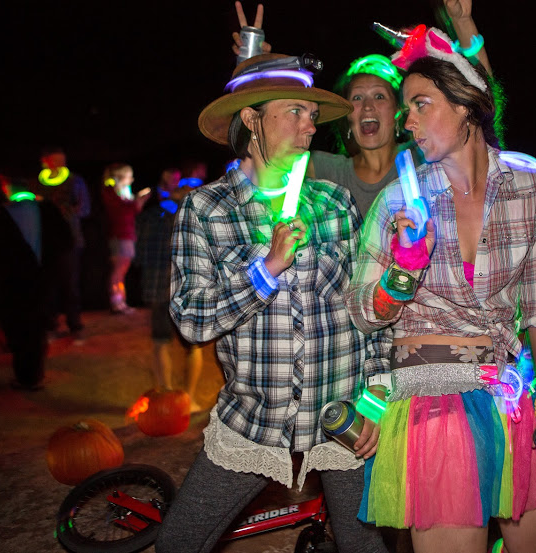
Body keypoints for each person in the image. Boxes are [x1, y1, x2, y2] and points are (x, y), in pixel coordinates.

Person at [345, 26, 536, 553]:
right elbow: (363, 311)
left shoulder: (527, 189)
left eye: (420, 104)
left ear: (468, 105)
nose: (406, 121)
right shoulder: (399, 203)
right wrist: (403, 272)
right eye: (405, 108)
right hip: (433, 402)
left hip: (511, 393)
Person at [155, 52, 391, 553]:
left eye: (313, 114)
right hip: (254, 420)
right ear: (251, 119)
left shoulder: (333, 203)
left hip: (342, 420)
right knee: (178, 542)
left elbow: (369, 313)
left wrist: (373, 401)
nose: (311, 125)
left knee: (365, 548)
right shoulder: (206, 209)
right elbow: (192, 321)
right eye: (297, 112)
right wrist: (264, 271)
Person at [232, 0, 493, 215]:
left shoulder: (421, 158)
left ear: (399, 112)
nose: (367, 106)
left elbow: (477, 98)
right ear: (348, 118)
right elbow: (262, 149)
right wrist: (254, 70)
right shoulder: (324, 170)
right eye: (357, 98)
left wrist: (462, 22)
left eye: (379, 97)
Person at [0, 176, 72, 389]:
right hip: (43, 278)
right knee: (35, 327)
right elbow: (66, 240)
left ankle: (28, 376)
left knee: (21, 327)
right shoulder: (46, 209)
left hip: (15, 282)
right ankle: (32, 375)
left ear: (7, 188)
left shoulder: (2, 215)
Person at [136, 167, 203, 412]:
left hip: (158, 287)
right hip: (185, 290)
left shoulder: (151, 215)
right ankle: (190, 399)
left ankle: (165, 397)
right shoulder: (193, 216)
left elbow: (140, 252)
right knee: (192, 346)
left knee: (161, 343)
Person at [34, 146, 90, 339]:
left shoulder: (75, 181)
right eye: (55, 160)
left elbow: (84, 208)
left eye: (62, 160)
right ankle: (51, 323)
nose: (60, 164)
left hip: (69, 240)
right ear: (46, 161)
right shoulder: (37, 184)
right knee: (48, 285)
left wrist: (65, 214)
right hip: (44, 241)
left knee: (70, 284)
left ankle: (74, 323)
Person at [101, 163, 151, 314]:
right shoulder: (110, 191)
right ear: (120, 176)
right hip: (119, 234)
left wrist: (137, 201)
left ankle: (120, 302)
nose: (131, 180)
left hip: (127, 233)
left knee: (122, 270)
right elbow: (122, 211)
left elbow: (131, 210)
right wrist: (139, 201)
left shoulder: (123, 192)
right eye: (129, 176)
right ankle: (116, 303)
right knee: (118, 270)